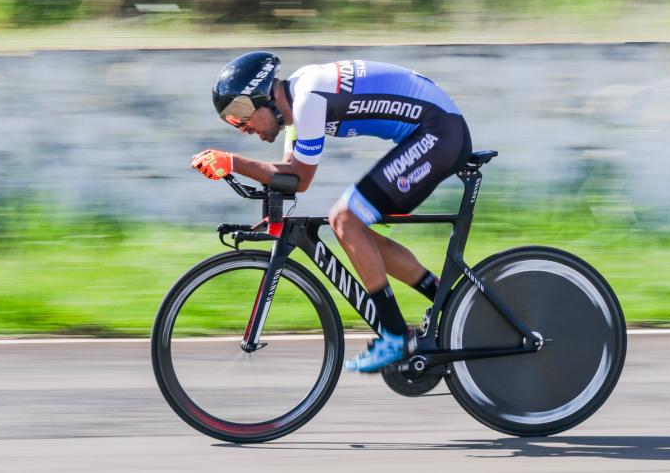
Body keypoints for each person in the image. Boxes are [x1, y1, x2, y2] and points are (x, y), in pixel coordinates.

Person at [191, 51, 472, 372]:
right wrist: (269, 211)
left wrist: (233, 161)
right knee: (362, 238)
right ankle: (453, 304)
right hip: (435, 130)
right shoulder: (297, 109)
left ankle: (395, 335)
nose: (240, 127)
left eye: (239, 112)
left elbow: (300, 177)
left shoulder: (308, 98)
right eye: (230, 119)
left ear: (263, 95)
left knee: (344, 219)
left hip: (439, 131)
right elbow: (288, 178)